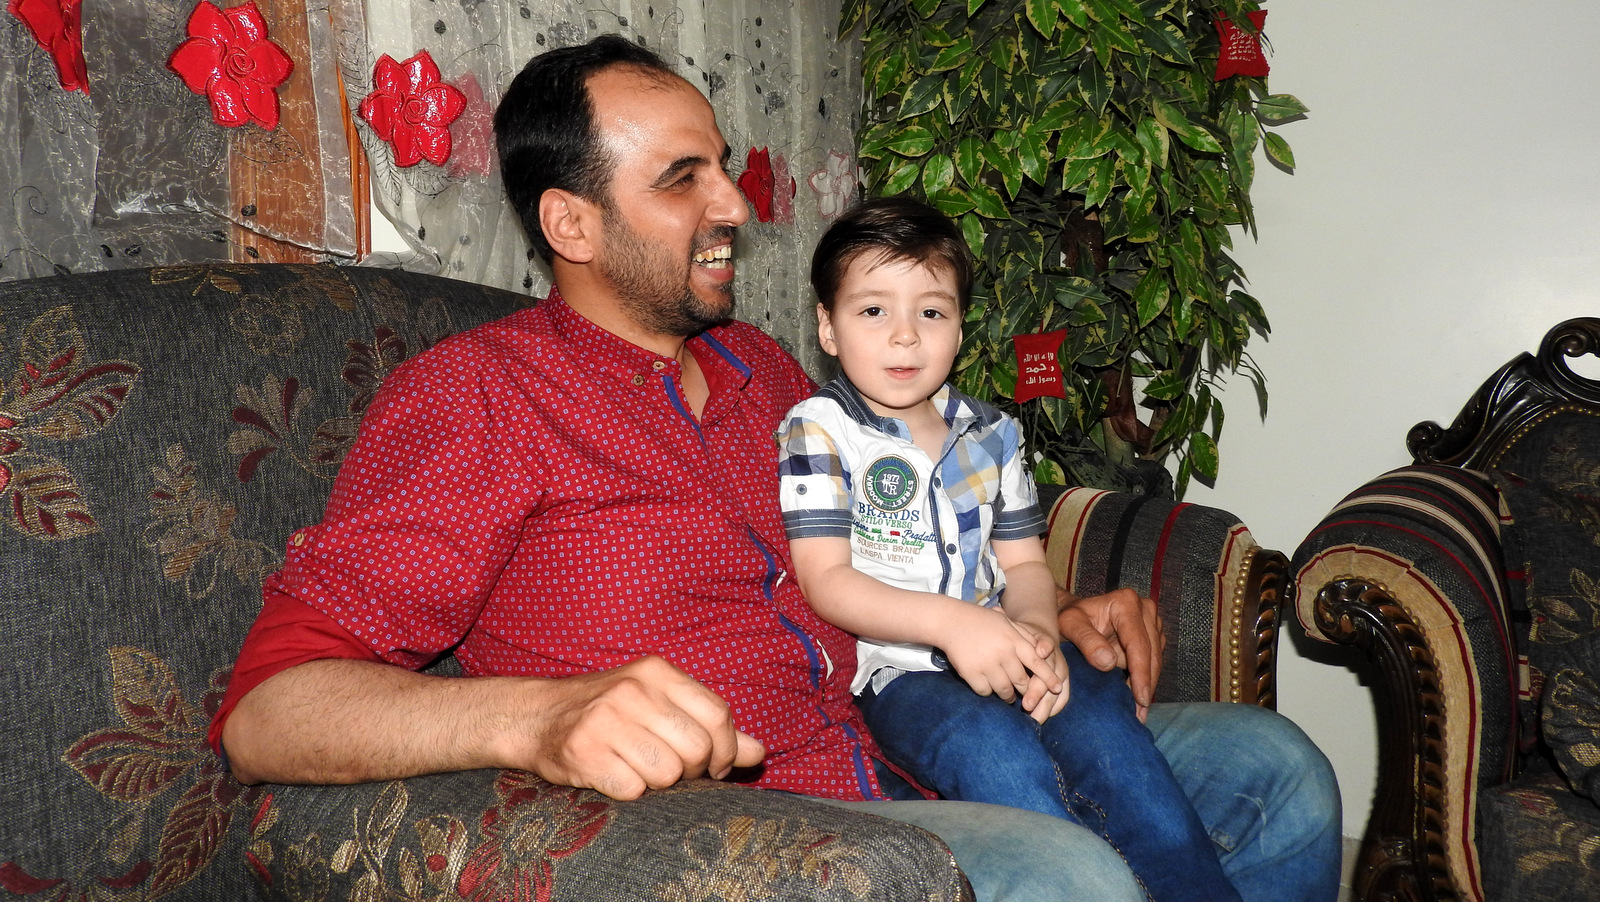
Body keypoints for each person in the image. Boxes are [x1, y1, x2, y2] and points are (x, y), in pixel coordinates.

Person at [210, 34, 1342, 902]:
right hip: (773, 824)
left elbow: (906, 525)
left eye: (723, 168)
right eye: (681, 179)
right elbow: (268, 711)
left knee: (1275, 767)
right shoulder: (477, 398)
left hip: (919, 723)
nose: (735, 205)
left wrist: (1034, 609)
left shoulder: (763, 368)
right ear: (572, 222)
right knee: (1064, 874)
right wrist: (539, 719)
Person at [779, 197, 1242, 902]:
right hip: (905, 676)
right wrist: (952, 624)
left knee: (1122, 755)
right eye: (873, 310)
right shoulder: (820, 430)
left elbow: (1025, 564)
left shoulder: (994, 435)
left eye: (931, 312)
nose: (905, 338)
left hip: (1015, 646)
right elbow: (827, 581)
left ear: (960, 326)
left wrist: (1037, 630)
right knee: (997, 759)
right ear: (828, 327)